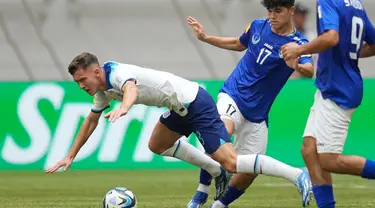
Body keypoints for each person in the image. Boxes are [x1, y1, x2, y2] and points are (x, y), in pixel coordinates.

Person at [45, 52, 311, 204]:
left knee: (232, 162)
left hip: (196, 103)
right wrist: (70, 155)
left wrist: (124, 108)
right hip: (178, 108)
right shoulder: (103, 89)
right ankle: (212, 170)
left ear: (95, 71)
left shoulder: (115, 73)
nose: (81, 85)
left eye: (82, 79)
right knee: (156, 144)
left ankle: (296, 174)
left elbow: (131, 89)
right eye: (77, 82)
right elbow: (90, 120)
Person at [186, 0, 315, 207]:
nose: (272, 16)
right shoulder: (257, 26)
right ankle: (201, 193)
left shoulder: (299, 43)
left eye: (278, 11)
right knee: (219, 136)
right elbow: (239, 43)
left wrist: (297, 64)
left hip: (258, 114)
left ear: (291, 11)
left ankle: (219, 205)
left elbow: (310, 70)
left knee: (248, 172)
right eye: (270, 11)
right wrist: (206, 37)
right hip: (233, 95)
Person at [281, 0, 375, 207]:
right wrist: (349, 52)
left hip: (338, 88)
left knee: (327, 160)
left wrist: (299, 50)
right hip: (331, 86)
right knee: (309, 150)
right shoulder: (356, 4)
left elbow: (331, 37)